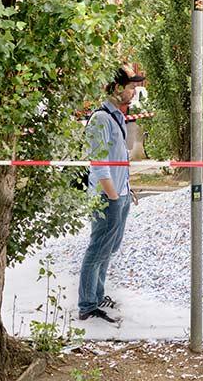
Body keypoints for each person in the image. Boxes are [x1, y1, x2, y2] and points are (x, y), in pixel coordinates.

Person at [77, 64, 145, 323]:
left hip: (120, 193)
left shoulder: (117, 116)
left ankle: (97, 294)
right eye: (130, 87)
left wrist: (127, 190)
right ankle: (87, 304)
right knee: (97, 248)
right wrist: (114, 197)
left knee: (109, 247)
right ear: (116, 88)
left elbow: (119, 160)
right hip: (107, 197)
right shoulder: (101, 119)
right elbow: (100, 165)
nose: (133, 93)